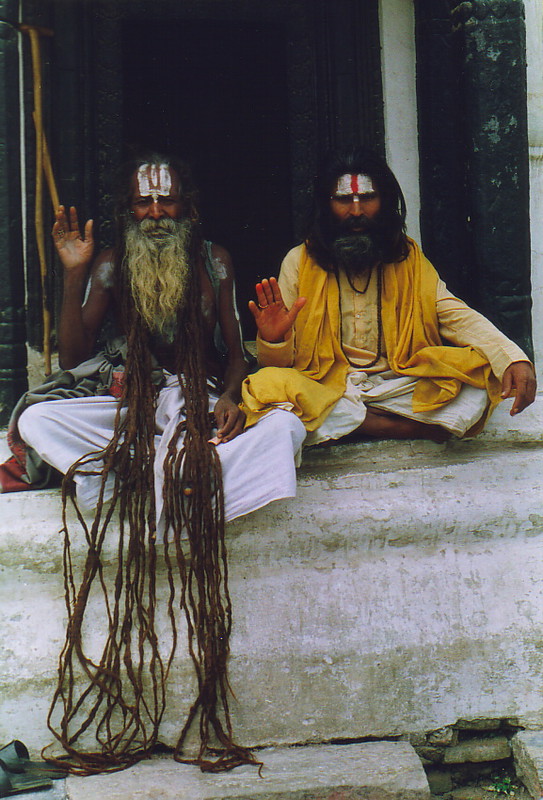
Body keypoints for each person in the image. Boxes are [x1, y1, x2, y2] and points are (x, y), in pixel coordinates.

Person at [1, 154, 305, 774]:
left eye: (167, 202)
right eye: (145, 203)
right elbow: (75, 353)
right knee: (36, 419)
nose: (157, 214)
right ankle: (166, 472)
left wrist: (224, 399)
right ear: (129, 211)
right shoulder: (111, 264)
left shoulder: (212, 261)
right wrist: (74, 273)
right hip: (129, 407)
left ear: (187, 208)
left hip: (193, 404)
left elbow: (235, 351)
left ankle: (163, 473)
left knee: (288, 427)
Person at [241, 146, 536, 444]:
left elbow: (456, 316)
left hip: (398, 382)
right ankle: (393, 427)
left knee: (481, 377)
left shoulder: (407, 257)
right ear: (325, 205)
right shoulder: (299, 261)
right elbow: (277, 366)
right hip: (328, 385)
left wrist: (512, 359)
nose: (356, 211)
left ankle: (355, 423)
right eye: (343, 199)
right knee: (266, 385)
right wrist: (275, 340)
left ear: (384, 201)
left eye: (367, 198)